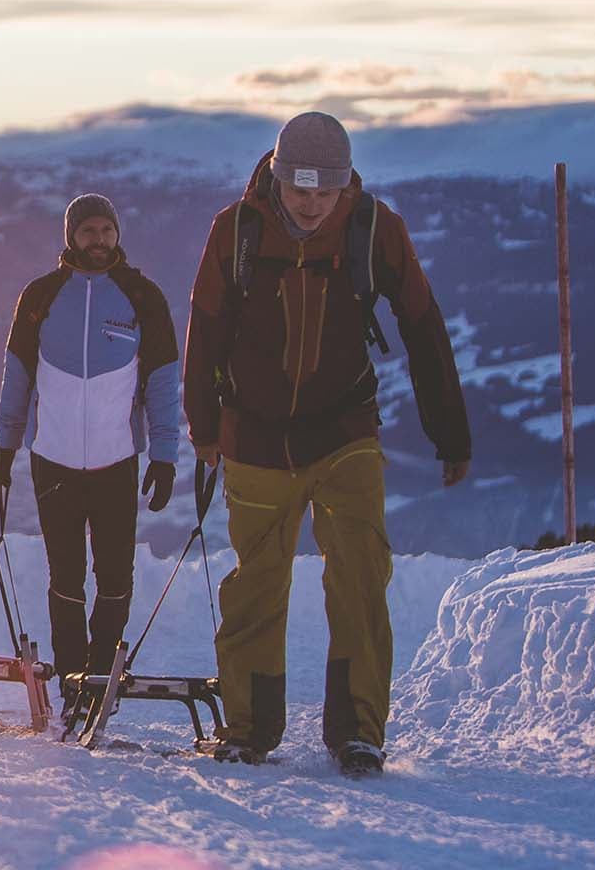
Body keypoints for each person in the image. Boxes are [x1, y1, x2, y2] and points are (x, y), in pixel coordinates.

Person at [185, 111, 471, 776]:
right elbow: (204, 331)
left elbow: (424, 328)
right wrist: (203, 428)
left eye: (326, 192)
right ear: (277, 178)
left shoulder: (376, 229)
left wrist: (449, 433)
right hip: (254, 435)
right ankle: (250, 728)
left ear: (345, 186)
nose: (312, 204)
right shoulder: (236, 232)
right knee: (255, 583)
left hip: (345, 429)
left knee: (360, 574)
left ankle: (358, 731)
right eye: (300, 190)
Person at [0, 193, 181, 707]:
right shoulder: (42, 295)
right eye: (87, 231)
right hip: (51, 459)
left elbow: (163, 382)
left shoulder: (142, 296)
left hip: (117, 460)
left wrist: (164, 455)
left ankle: (104, 674)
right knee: (66, 577)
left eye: (105, 231)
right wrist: (5, 445)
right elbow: (17, 377)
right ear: (70, 237)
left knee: (116, 575)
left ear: (117, 235)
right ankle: (74, 680)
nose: (97, 240)